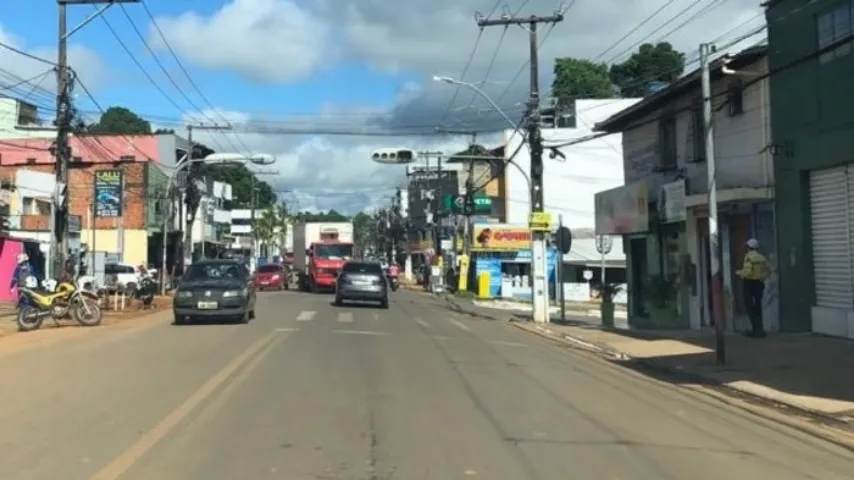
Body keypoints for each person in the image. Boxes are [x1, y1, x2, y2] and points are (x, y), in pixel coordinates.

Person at [736, 238, 771, 338]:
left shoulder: (748, 257)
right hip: (759, 283)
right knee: (758, 306)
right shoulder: (762, 258)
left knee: (749, 306)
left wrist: (739, 273)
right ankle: (760, 329)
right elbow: (768, 270)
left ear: (749, 247)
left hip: (749, 283)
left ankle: (756, 330)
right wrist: (762, 278)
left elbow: (747, 271)